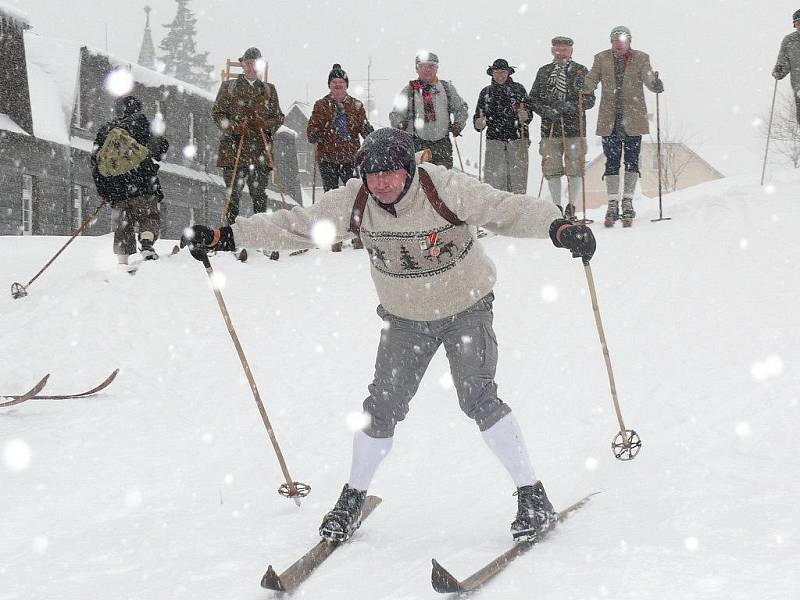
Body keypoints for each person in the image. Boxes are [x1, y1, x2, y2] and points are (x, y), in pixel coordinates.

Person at [180, 128, 596, 544]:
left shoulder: (444, 188)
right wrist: (226, 236)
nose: (380, 184)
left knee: (478, 397)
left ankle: (532, 494)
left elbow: (506, 209)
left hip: (464, 307)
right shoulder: (356, 201)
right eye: (371, 175)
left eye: (390, 174)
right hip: (404, 318)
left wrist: (558, 227)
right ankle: (353, 496)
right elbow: (298, 226)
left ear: (409, 169)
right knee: (381, 407)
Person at [581, 26, 664, 227]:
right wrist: (582, 84)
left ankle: (627, 201)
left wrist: (655, 84)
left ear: (629, 41)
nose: (619, 44)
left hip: (633, 118)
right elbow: (591, 80)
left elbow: (649, 78)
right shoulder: (601, 58)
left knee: (632, 160)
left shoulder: (641, 58)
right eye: (615, 40)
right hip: (610, 119)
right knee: (611, 161)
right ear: (611, 42)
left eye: (623, 40)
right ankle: (612, 203)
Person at [212, 46, 284, 257]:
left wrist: (266, 124)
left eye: (255, 63)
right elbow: (217, 113)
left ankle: (260, 237)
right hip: (233, 150)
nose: (251, 66)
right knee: (232, 195)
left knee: (259, 196)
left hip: (260, 151)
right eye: (248, 62)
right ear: (243, 64)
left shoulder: (269, 89)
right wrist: (233, 126)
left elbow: (279, 117)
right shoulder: (229, 87)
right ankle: (230, 238)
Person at [91, 95, 169, 269]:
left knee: (122, 225)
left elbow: (96, 163)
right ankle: (147, 243)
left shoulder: (106, 131)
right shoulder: (143, 125)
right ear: (138, 109)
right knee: (149, 217)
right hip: (144, 185)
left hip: (118, 189)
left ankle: (122, 263)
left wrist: (105, 192)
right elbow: (161, 151)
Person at [307, 63, 374, 251]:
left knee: (355, 196)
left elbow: (364, 127)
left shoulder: (356, 105)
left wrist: (371, 135)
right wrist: (315, 133)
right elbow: (311, 129)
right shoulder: (321, 105)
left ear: (346, 85)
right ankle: (335, 236)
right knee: (331, 197)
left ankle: (357, 234)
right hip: (328, 157)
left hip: (350, 157)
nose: (338, 85)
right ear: (329, 85)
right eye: (334, 82)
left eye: (341, 82)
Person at [529, 37, 596, 220]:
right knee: (551, 168)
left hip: (574, 128)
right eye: (557, 49)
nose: (561, 53)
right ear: (552, 51)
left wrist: (572, 107)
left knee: (575, 167)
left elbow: (590, 100)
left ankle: (572, 206)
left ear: (571, 51)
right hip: (550, 129)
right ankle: (556, 206)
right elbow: (532, 99)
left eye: (564, 49)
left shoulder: (580, 70)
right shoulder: (543, 72)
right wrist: (546, 111)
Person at [389, 51, 469, 169]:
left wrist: (458, 124)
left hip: (442, 145)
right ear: (417, 69)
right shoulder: (409, 90)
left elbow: (461, 108)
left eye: (431, 66)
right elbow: (395, 114)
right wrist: (400, 124)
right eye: (423, 66)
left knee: (442, 181)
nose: (427, 70)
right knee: (418, 181)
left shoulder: (446, 89)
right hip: (416, 144)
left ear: (437, 68)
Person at [473, 58, 532, 194]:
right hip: (494, 140)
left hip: (517, 139)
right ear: (492, 74)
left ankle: (517, 210)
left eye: (503, 72)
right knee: (494, 182)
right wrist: (478, 123)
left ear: (508, 73)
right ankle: (498, 212)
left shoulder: (518, 89)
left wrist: (526, 115)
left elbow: (529, 111)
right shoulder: (486, 93)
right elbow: (478, 117)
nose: (500, 75)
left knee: (518, 181)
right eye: (497, 72)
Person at [772, 9, 800, 126]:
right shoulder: (790, 41)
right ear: (794, 25)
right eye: (798, 23)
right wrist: (779, 70)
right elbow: (784, 65)